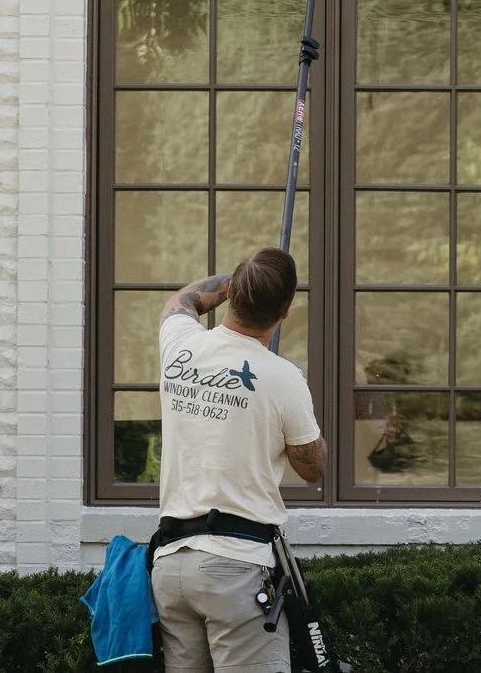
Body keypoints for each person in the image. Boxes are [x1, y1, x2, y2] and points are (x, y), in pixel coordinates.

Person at [151, 247, 325, 673]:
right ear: (285, 311)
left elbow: (182, 302)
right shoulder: (283, 378)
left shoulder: (180, 346)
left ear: (231, 292)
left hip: (171, 567)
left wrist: (238, 280)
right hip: (235, 566)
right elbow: (312, 468)